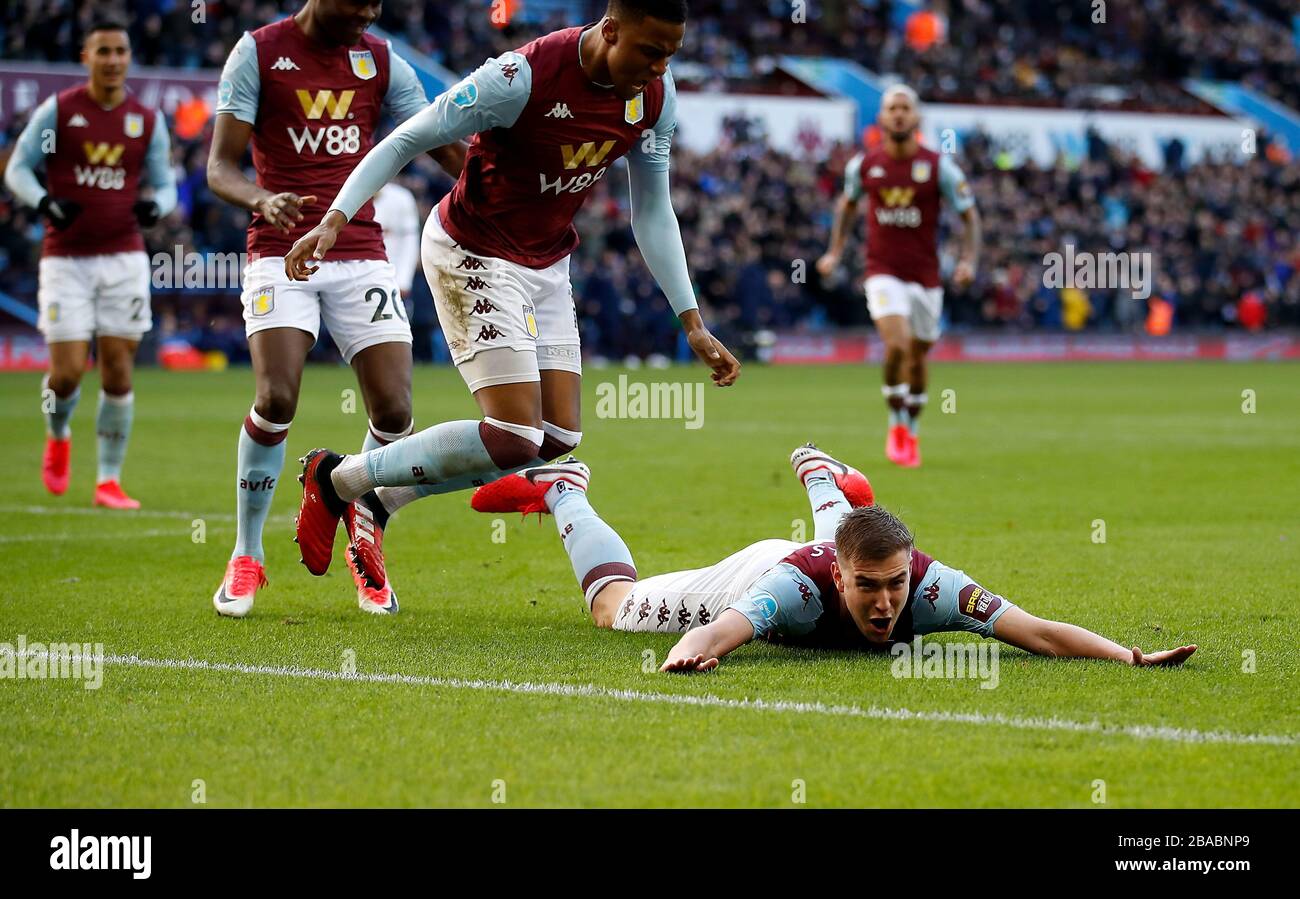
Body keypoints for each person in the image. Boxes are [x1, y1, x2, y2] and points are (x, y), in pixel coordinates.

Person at [286, 0, 740, 591]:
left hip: (548, 262)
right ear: (609, 30)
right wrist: (334, 218)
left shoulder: (654, 96)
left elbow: (652, 209)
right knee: (515, 434)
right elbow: (407, 139)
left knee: (557, 437)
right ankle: (336, 478)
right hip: (470, 250)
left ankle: (377, 503)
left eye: (670, 55)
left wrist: (693, 321)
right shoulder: (519, 78)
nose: (659, 67)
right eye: (650, 52)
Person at [477, 444, 1197, 673]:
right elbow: (720, 632)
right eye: (870, 590)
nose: (888, 603)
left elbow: (1038, 632)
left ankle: (822, 475)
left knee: (861, 538)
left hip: (833, 550)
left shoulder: (933, 586)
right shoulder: (790, 590)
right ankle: (567, 491)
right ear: (844, 582)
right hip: (758, 566)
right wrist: (689, 653)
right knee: (613, 612)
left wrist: (1130, 658)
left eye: (896, 586)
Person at [206, 0, 464, 617]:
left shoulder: (379, 59)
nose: (366, 14)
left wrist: (495, 184)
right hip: (280, 252)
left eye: (375, 4)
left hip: (361, 251)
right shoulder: (259, 52)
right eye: (355, 2)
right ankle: (246, 555)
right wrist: (261, 199)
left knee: (396, 409)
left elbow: (433, 138)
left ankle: (365, 537)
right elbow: (220, 166)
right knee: (276, 399)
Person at [4, 18, 177, 510]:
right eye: (102, 51)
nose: (113, 59)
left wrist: (156, 207)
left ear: (129, 57)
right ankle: (57, 433)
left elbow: (164, 184)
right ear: (86, 57)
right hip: (66, 261)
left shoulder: (145, 119)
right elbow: (17, 166)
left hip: (124, 257)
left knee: (119, 371)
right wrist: (42, 203)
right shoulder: (60, 112)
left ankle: (107, 480)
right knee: (66, 375)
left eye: (120, 51)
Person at [818, 85, 982, 468]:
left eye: (905, 108)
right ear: (882, 117)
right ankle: (895, 422)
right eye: (892, 107)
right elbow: (847, 206)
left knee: (919, 356)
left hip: (926, 277)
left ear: (916, 117)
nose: (898, 114)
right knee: (897, 346)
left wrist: (968, 261)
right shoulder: (864, 166)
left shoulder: (939, 167)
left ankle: (911, 425)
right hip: (882, 271)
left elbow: (969, 216)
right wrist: (835, 252)